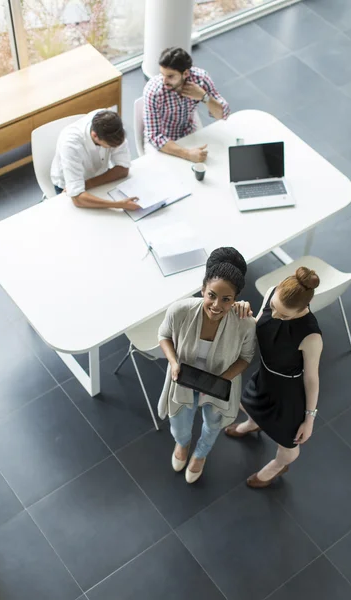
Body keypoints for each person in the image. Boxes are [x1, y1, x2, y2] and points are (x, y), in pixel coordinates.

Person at [158, 247, 256, 484]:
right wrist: (173, 362)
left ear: (235, 299)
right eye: (211, 295)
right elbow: (164, 335)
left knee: (213, 424)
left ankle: (200, 454)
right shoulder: (180, 310)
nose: (216, 305)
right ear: (202, 289)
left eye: (226, 299)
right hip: (183, 378)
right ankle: (182, 444)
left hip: (219, 384)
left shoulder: (244, 324)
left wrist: (222, 379)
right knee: (180, 419)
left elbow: (246, 357)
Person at [226, 267, 323, 488]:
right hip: (266, 375)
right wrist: (242, 316)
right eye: (274, 309)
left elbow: (311, 379)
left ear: (303, 308)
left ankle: (278, 465)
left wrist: (309, 419)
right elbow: (257, 326)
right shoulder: (272, 293)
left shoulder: (311, 336)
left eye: (285, 315)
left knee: (289, 444)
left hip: (288, 394)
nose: (277, 316)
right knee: (246, 405)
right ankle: (253, 424)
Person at [143, 47, 230, 162]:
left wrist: (204, 97)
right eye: (162, 74)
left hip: (189, 130)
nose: (164, 81)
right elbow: (154, 136)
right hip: (163, 139)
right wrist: (187, 154)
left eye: (170, 76)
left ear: (185, 73)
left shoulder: (200, 79)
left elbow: (222, 115)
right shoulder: (154, 91)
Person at [51, 109, 140, 211]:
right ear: (95, 136)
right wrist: (118, 205)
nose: (115, 147)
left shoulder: (113, 126)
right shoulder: (70, 144)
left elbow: (123, 169)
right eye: (110, 146)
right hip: (67, 186)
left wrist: (87, 184)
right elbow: (77, 199)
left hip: (97, 177)